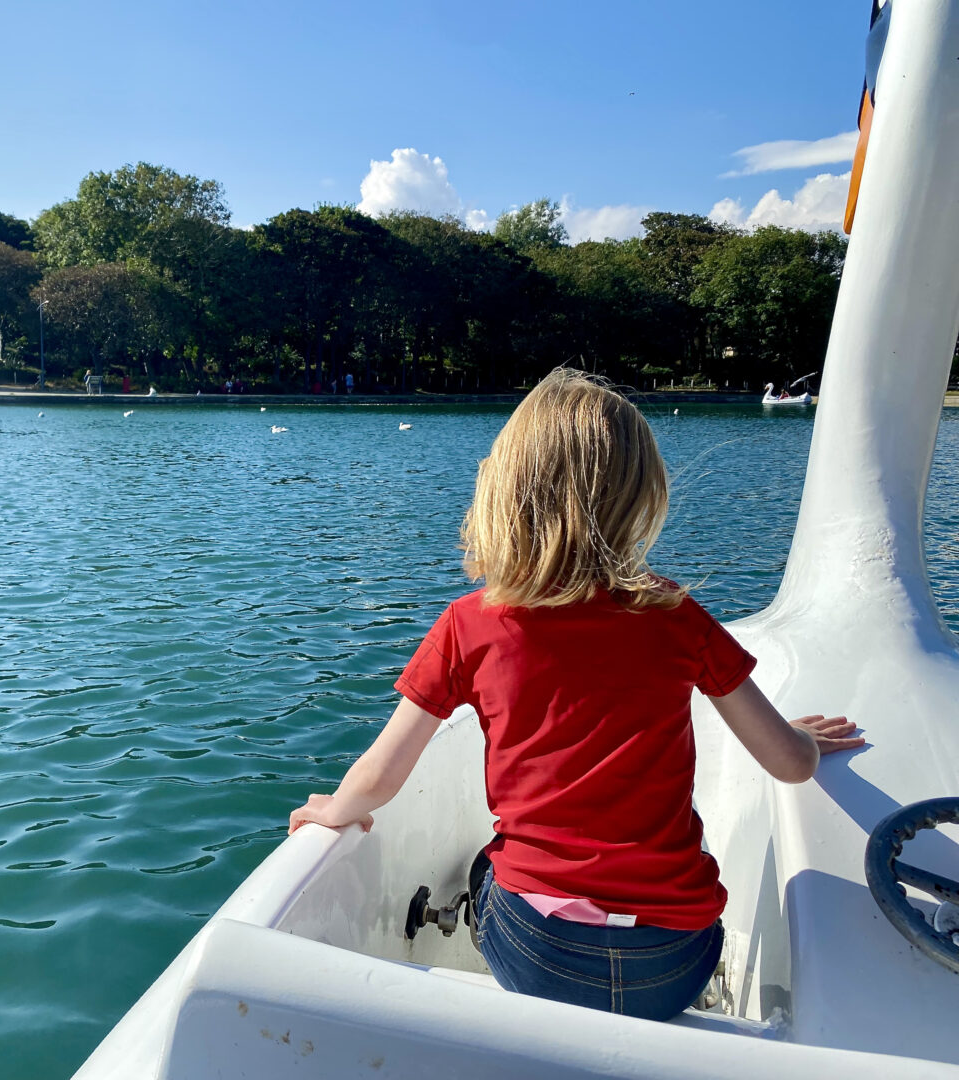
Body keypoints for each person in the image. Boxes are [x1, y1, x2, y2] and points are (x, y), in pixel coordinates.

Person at [288, 368, 862, 1023]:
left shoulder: (467, 625)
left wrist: (334, 807)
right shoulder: (677, 615)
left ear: (507, 487)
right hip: (673, 966)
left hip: (536, 957)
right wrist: (806, 739)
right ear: (638, 497)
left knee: (488, 865)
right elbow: (791, 764)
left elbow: (382, 775)